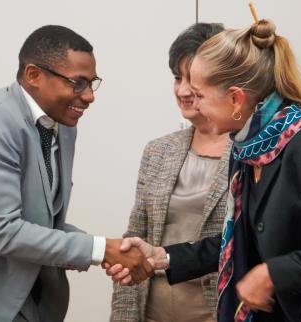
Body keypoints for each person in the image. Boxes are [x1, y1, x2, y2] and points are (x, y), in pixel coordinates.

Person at [109, 19, 301, 322]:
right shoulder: (249, 147)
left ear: (235, 98)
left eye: (201, 96)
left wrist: (273, 273)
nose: (195, 106)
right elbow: (238, 239)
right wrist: (161, 257)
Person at [0, 25, 151, 322]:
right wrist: (102, 250)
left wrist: (112, 247)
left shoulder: (62, 126)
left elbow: (43, 222)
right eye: (78, 83)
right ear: (33, 75)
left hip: (26, 297)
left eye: (92, 83)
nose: (89, 96)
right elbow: (2, 231)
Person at [109, 23, 230, 322]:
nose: (183, 90)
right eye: (178, 78)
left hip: (220, 312)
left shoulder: (253, 151)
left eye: (193, 79)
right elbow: (134, 238)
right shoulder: (158, 151)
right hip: (151, 312)